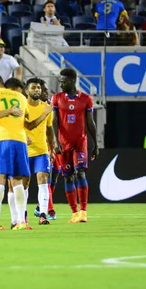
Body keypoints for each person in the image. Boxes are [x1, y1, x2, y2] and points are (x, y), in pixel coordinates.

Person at [0, 75, 52, 230]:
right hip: (20, 142)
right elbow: (28, 124)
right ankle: (20, 221)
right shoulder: (22, 99)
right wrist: (44, 113)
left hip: (1, 141)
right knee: (17, 183)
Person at [51, 68, 98, 223]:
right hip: (63, 143)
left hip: (80, 142)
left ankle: (84, 212)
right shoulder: (57, 98)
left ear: (72, 81)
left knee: (80, 173)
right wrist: (56, 141)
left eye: (63, 81)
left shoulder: (85, 99)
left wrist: (95, 143)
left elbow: (90, 122)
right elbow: (54, 121)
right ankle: (74, 213)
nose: (61, 84)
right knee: (68, 177)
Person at [23, 78, 55, 225]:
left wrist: (52, 148)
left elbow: (49, 130)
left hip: (41, 150)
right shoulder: (22, 107)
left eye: (39, 88)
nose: (37, 90)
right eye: (33, 87)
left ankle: (43, 215)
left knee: (43, 180)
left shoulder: (46, 107)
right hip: (24, 151)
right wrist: (45, 113)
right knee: (24, 183)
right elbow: (28, 126)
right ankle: (23, 215)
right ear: (26, 91)